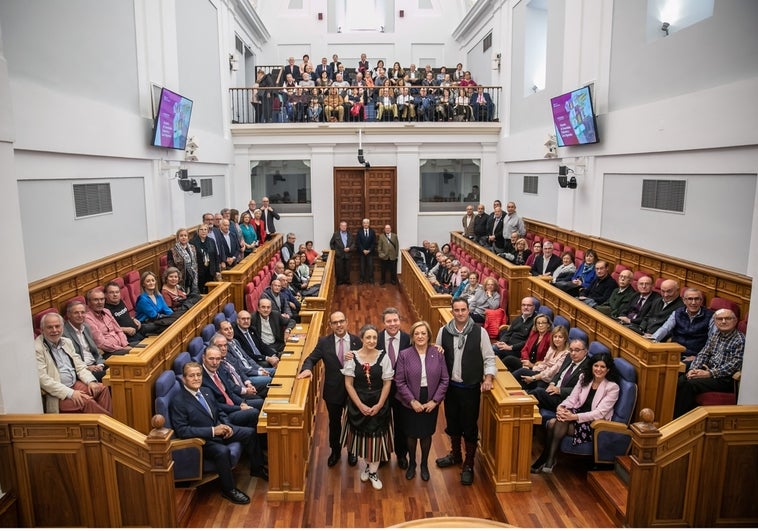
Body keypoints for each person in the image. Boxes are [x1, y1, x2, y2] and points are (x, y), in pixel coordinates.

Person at [170, 362, 255, 504]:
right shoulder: (178, 401)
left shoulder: (205, 391)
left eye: (198, 375)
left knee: (250, 433)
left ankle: (257, 468)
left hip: (220, 430)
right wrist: (212, 431)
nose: (196, 378)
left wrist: (226, 425)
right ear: (184, 379)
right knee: (222, 451)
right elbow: (183, 430)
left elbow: (219, 411)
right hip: (202, 440)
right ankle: (229, 490)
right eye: (192, 376)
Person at [435, 297, 496, 486]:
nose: (460, 313)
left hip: (470, 388)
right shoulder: (443, 331)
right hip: (451, 387)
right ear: (452, 311)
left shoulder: (480, 332)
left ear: (468, 310)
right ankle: (455, 455)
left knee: (469, 426)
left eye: (463, 310)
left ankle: (469, 464)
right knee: (452, 422)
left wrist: (488, 378)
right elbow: (437, 356)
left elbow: (489, 358)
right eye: (456, 310)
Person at [531, 352, 620, 473]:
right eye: (596, 366)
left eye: (602, 367)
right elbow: (572, 398)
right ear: (592, 366)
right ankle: (548, 459)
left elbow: (599, 413)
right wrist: (562, 407)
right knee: (555, 421)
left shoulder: (612, 388)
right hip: (576, 413)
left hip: (592, 423)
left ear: (608, 369)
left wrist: (574, 417)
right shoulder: (584, 378)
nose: (598, 369)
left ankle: (547, 458)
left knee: (554, 423)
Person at [297, 311, 362, 467]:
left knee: (353, 421)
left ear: (347, 322)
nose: (339, 325)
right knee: (334, 423)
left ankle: (352, 451)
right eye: (335, 323)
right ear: (331, 325)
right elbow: (311, 358)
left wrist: (357, 359)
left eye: (341, 321)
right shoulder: (324, 342)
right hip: (333, 391)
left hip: (353, 390)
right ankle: (335, 451)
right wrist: (307, 369)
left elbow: (366, 362)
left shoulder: (356, 341)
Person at [340, 324, 394, 490]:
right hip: (358, 401)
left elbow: (387, 383)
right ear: (361, 339)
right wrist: (360, 405)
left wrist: (379, 405)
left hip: (379, 402)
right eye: (368, 337)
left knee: (377, 441)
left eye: (374, 338)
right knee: (362, 439)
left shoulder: (384, 357)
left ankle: (373, 472)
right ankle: (367, 467)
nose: (372, 341)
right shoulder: (352, 357)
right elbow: (349, 384)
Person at [394, 320, 449, 482]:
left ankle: (424, 464)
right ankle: (412, 463)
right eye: (416, 333)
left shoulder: (437, 353)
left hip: (430, 398)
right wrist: (412, 401)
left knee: (426, 434)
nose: (420, 336)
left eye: (423, 333)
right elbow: (400, 382)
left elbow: (444, 380)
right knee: (411, 434)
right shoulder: (404, 355)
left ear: (429, 335)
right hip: (410, 399)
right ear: (412, 336)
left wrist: (435, 401)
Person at [35, 312, 112, 414]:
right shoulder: (37, 348)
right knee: (87, 402)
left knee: (102, 388)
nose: (54, 330)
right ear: (42, 330)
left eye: (57, 326)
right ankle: (112, 425)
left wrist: (91, 382)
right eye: (50, 327)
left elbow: (80, 366)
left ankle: (108, 425)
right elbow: (43, 379)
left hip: (74, 383)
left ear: (62, 327)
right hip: (58, 394)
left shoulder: (66, 342)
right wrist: (70, 393)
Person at [673, 309, 744, 418]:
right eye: (720, 319)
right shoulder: (716, 334)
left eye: (728, 318)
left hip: (725, 378)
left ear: (735, 321)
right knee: (680, 379)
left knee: (689, 384)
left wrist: (709, 373)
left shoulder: (740, 340)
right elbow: (703, 354)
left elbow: (734, 365)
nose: (723, 321)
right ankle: (668, 415)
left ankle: (678, 419)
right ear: (715, 322)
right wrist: (694, 369)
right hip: (708, 371)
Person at [375, 307, 412, 469]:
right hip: (381, 388)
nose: (392, 324)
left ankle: (401, 454)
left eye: (395, 320)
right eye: (389, 321)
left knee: (401, 423)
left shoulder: (407, 339)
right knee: (382, 422)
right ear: (383, 323)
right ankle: (383, 454)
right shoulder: (376, 338)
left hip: (401, 390)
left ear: (400, 321)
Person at [649, 289, 715, 367]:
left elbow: (712, 340)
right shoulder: (677, 312)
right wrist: (652, 340)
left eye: (697, 299)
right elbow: (665, 328)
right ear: (684, 300)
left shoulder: (710, 316)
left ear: (701, 301)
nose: (693, 302)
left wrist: (699, 357)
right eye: (690, 299)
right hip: (675, 352)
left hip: (694, 356)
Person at [529, 338, 591, 413]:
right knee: (534, 388)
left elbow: (582, 390)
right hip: (553, 390)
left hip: (564, 399)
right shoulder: (568, 356)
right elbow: (559, 373)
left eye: (577, 350)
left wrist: (560, 390)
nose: (573, 353)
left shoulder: (588, 367)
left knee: (537, 392)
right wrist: (552, 383)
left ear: (585, 351)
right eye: (571, 350)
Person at [514, 325, 570, 391]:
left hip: (549, 380)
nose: (557, 339)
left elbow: (552, 372)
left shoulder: (566, 354)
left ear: (565, 339)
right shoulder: (552, 348)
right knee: (522, 378)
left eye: (560, 337)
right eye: (555, 337)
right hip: (541, 374)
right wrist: (533, 369)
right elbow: (544, 363)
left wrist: (533, 378)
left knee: (523, 374)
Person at [62, 300, 106, 381]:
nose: (80, 315)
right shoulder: (64, 333)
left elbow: (95, 351)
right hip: (84, 370)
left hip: (96, 364)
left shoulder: (86, 326)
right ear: (68, 315)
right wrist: (87, 367)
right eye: (76, 313)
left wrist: (100, 364)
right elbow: (69, 359)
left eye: (82, 312)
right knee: (113, 375)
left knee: (120, 367)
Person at [84, 287, 133, 355]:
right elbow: (101, 343)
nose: (100, 302)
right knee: (135, 353)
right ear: (89, 302)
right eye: (96, 300)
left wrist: (125, 345)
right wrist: (121, 348)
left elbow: (119, 330)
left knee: (145, 347)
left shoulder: (107, 311)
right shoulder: (88, 318)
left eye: (102, 299)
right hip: (109, 351)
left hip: (122, 346)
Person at [166, 228, 199, 295]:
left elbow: (195, 262)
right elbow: (171, 268)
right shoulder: (172, 251)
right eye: (181, 236)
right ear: (178, 238)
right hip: (180, 279)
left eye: (185, 235)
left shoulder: (192, 248)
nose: (183, 237)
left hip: (192, 278)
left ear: (188, 237)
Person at [190, 223, 221, 293]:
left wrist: (217, 270)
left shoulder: (211, 241)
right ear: (198, 231)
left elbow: (215, 256)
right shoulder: (192, 242)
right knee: (200, 290)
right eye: (201, 229)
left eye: (205, 229)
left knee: (210, 290)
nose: (203, 231)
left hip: (210, 270)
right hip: (199, 271)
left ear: (207, 231)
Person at [330, 221, 355, 285]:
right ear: (340, 227)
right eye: (342, 226)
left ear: (346, 227)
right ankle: (340, 281)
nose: (344, 227)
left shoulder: (350, 234)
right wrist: (336, 251)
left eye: (345, 226)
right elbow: (331, 243)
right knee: (339, 269)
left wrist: (349, 248)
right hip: (339, 255)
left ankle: (347, 280)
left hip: (348, 254)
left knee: (347, 268)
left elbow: (353, 243)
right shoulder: (336, 234)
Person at [355, 218, 377, 284]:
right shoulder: (359, 232)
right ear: (362, 224)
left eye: (367, 223)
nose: (366, 224)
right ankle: (362, 279)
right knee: (362, 266)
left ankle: (371, 279)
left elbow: (374, 242)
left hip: (370, 252)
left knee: (370, 266)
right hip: (362, 252)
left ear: (369, 224)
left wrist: (369, 250)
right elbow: (358, 242)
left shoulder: (372, 232)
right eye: (364, 223)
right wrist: (363, 250)